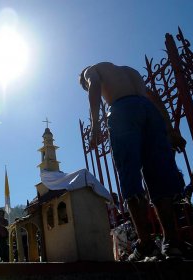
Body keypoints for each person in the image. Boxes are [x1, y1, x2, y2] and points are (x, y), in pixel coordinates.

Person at [79, 62, 186, 261]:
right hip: (149, 111)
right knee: (160, 177)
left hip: (123, 111)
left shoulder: (91, 70)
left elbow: (93, 85)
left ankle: (146, 245)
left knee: (130, 176)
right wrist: (171, 130)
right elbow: (154, 97)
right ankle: (171, 244)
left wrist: (94, 126)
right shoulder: (130, 71)